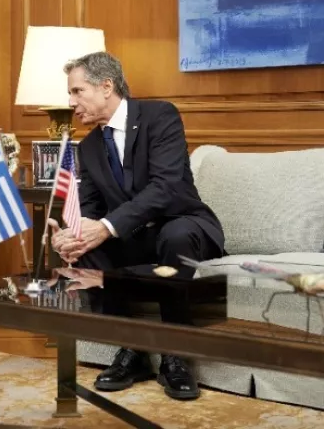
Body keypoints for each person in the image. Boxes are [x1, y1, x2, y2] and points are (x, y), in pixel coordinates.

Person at [48, 51, 225, 401]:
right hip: (134, 236)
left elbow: (166, 187)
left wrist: (106, 226)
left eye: (77, 91)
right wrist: (73, 235)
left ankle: (175, 356)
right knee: (86, 250)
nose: (71, 102)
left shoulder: (160, 116)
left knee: (175, 236)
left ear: (106, 86)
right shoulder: (89, 146)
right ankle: (132, 349)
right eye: (70, 94)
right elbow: (91, 209)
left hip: (182, 224)